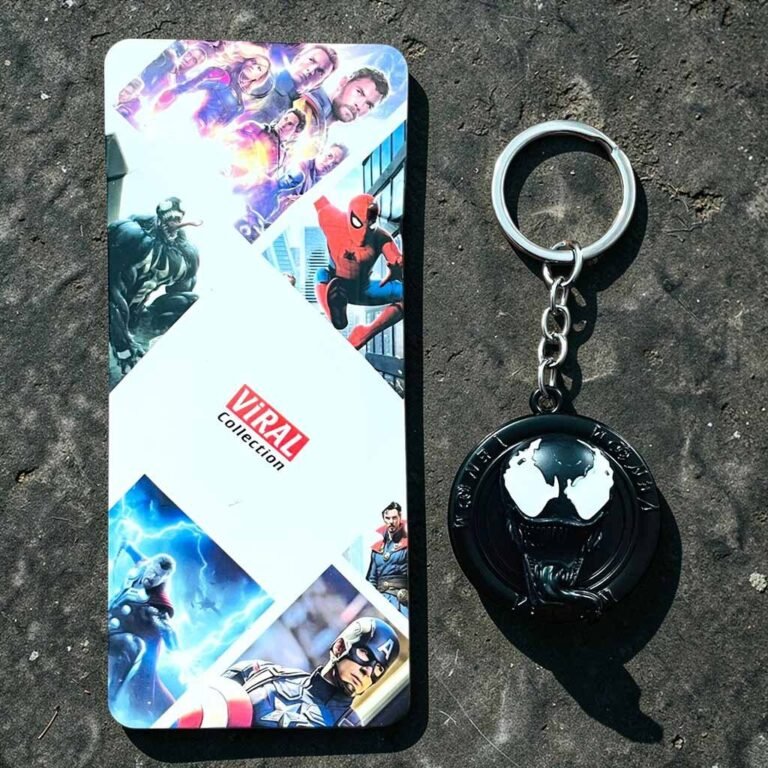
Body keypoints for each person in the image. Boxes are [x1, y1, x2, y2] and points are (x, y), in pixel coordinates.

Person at [174, 617, 400, 728]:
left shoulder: (351, 730)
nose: (367, 671)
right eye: (365, 654)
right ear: (340, 647)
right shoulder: (259, 673)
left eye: (378, 669)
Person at [108, 197, 200, 376]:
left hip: (136, 316)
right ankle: (124, 353)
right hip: (110, 309)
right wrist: (123, 347)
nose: (173, 223)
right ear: (159, 218)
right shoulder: (131, 234)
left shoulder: (185, 255)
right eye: (169, 218)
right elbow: (110, 289)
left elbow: (180, 294)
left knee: (189, 301)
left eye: (177, 219)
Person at [314, 193, 404, 349]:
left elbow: (396, 259)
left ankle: (364, 333)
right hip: (334, 284)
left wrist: (398, 268)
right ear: (350, 215)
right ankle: (334, 312)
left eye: (370, 225)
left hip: (362, 289)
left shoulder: (381, 237)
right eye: (357, 223)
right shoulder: (331, 218)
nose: (363, 233)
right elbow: (315, 196)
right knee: (321, 273)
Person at [155, 55, 273, 132]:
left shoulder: (239, 106)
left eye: (259, 68)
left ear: (258, 78)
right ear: (246, 61)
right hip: (177, 116)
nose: (254, 66)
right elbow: (184, 89)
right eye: (253, 61)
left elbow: (217, 130)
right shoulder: (217, 73)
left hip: (195, 133)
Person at [247, 44, 338, 124]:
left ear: (318, 84)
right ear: (297, 58)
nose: (311, 70)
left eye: (320, 71)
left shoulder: (298, 109)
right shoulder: (263, 81)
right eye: (311, 60)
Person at [307, 66, 390, 126]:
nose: (359, 105)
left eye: (369, 104)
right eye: (359, 92)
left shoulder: (320, 133)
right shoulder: (311, 99)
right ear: (343, 82)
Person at [367, 502, 409, 616]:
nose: (391, 521)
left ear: (400, 517)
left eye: (394, 518)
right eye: (388, 518)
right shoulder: (377, 549)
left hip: (401, 602)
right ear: (384, 519)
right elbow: (371, 579)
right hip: (381, 602)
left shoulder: (407, 545)